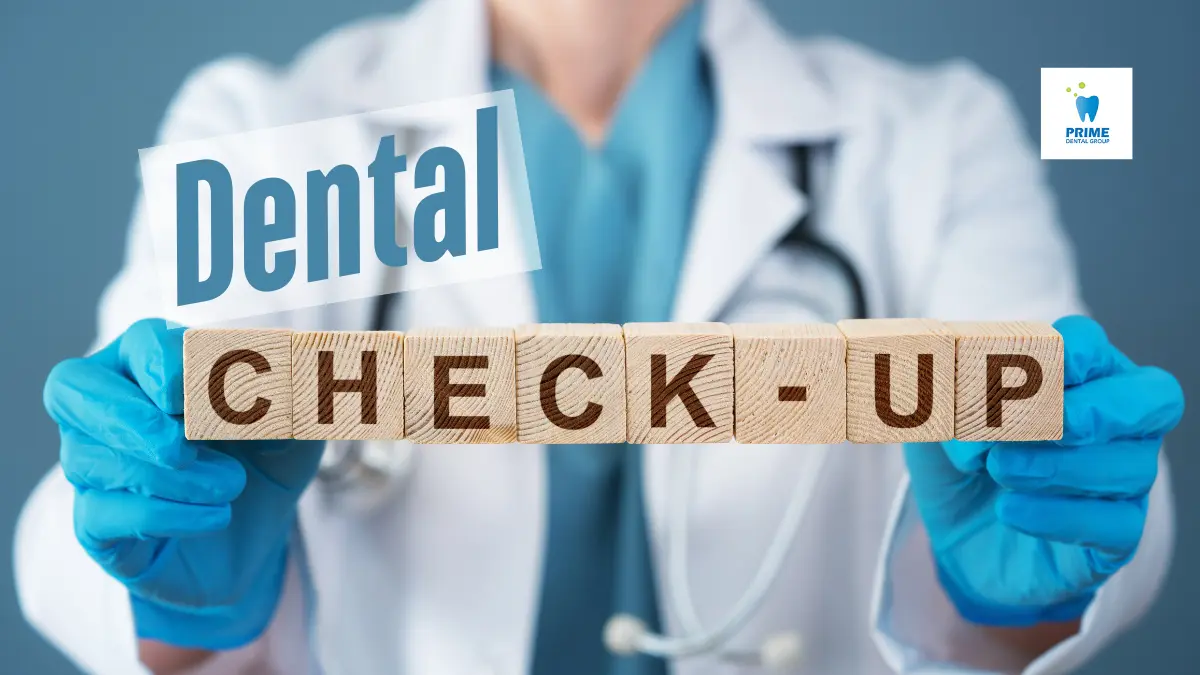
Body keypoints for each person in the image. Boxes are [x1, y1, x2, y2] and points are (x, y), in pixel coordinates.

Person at [18, 0, 1185, 673]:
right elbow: (106, 482)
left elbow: (1059, 434)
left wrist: (1014, 574)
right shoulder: (269, 130)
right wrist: (176, 596)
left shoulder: (932, 136)